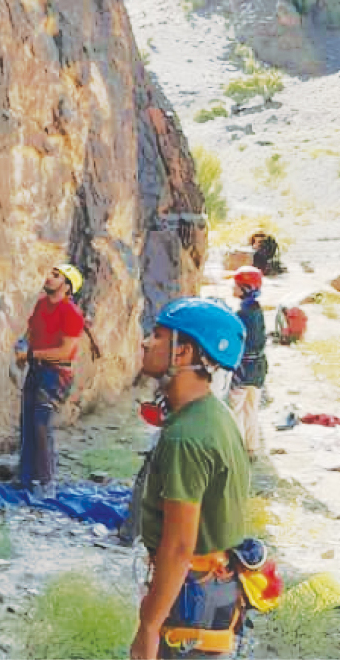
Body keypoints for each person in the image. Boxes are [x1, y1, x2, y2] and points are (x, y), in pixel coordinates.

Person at [131, 298, 250, 660]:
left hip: (191, 599)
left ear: (182, 353)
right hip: (212, 592)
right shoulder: (216, 415)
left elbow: (179, 547)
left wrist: (149, 629)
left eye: (157, 335)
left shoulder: (187, 438)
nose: (146, 342)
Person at [15, 263, 85, 499]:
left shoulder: (71, 313)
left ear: (67, 286)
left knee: (41, 424)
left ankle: (45, 484)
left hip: (56, 374)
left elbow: (66, 351)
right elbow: (30, 332)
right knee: (27, 422)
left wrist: (32, 354)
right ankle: (25, 478)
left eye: (56, 276)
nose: (49, 278)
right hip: (36, 369)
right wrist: (22, 347)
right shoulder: (41, 305)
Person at [227, 267, 267, 457]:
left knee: (235, 409)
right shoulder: (257, 311)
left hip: (243, 368)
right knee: (251, 409)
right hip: (258, 368)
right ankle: (252, 447)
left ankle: (236, 449)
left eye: (235, 285)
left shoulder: (241, 314)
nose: (232, 288)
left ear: (244, 288)